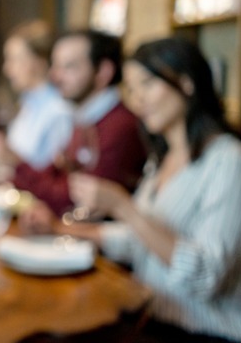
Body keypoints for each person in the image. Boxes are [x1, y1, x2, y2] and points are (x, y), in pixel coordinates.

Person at [38, 37, 241, 343]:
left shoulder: (229, 161)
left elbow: (206, 278)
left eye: (147, 84)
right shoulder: (164, 157)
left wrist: (123, 207)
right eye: (132, 89)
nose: (138, 100)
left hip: (210, 335)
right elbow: (141, 243)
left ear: (186, 83)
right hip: (153, 320)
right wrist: (58, 228)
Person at [14, 29, 146, 219]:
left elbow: (73, 200)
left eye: (69, 67)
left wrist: (16, 165)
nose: (55, 76)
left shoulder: (120, 127)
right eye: (55, 66)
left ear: (103, 72)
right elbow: (54, 175)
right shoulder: (85, 117)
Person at [1, 20, 72, 170]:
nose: (7, 69)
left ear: (39, 62)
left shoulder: (58, 112)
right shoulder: (28, 103)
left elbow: (52, 177)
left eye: (14, 60)